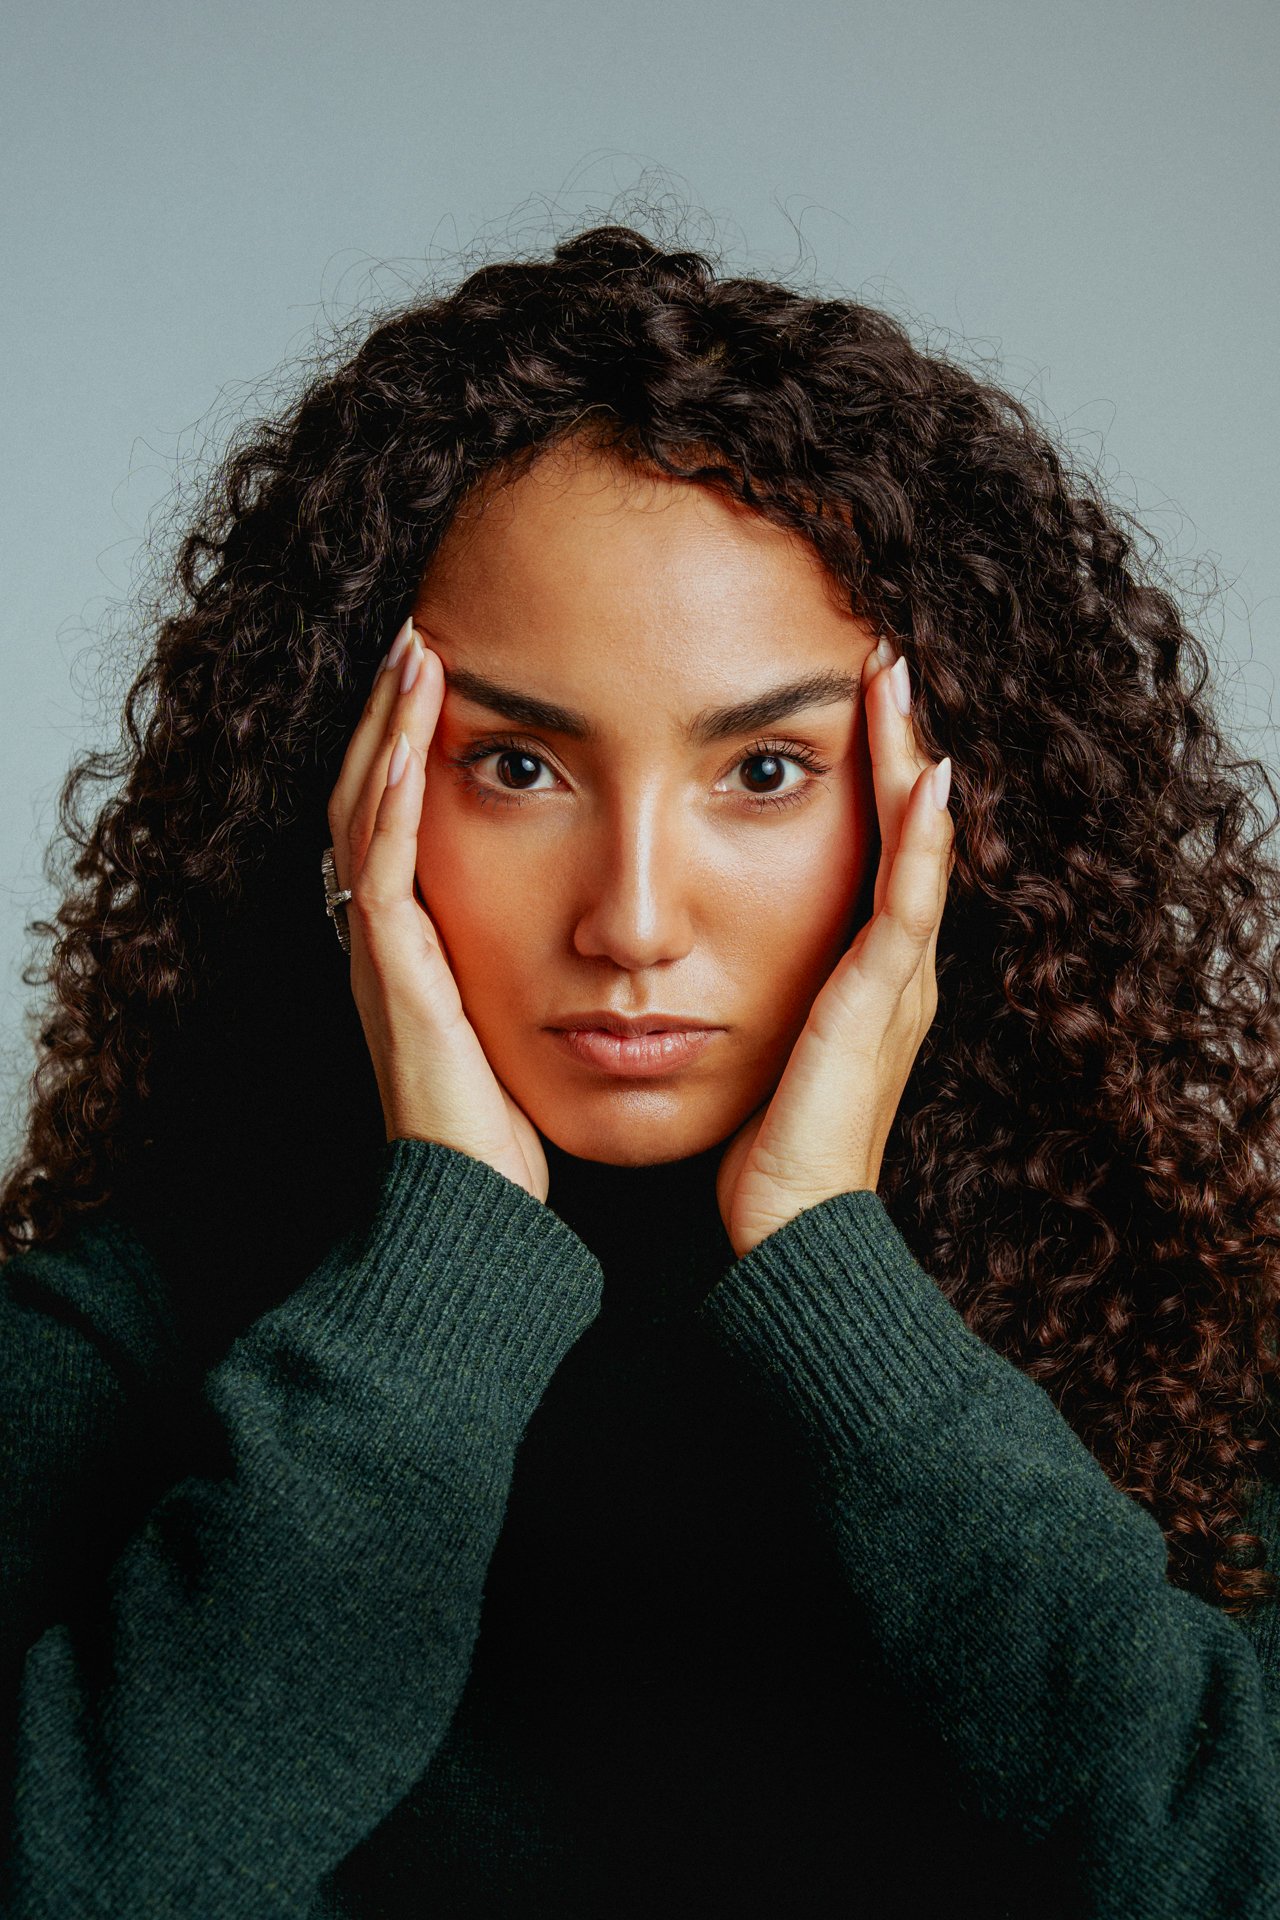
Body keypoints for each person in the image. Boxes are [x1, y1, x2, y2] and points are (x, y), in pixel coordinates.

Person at [2, 222, 1279, 1917]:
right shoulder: (102, 1351)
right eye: (519, 763)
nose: (632, 918)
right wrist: (439, 1268)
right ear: (350, 790)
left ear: (951, 811)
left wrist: (839, 1278)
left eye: (763, 768)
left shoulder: (1186, 1344)